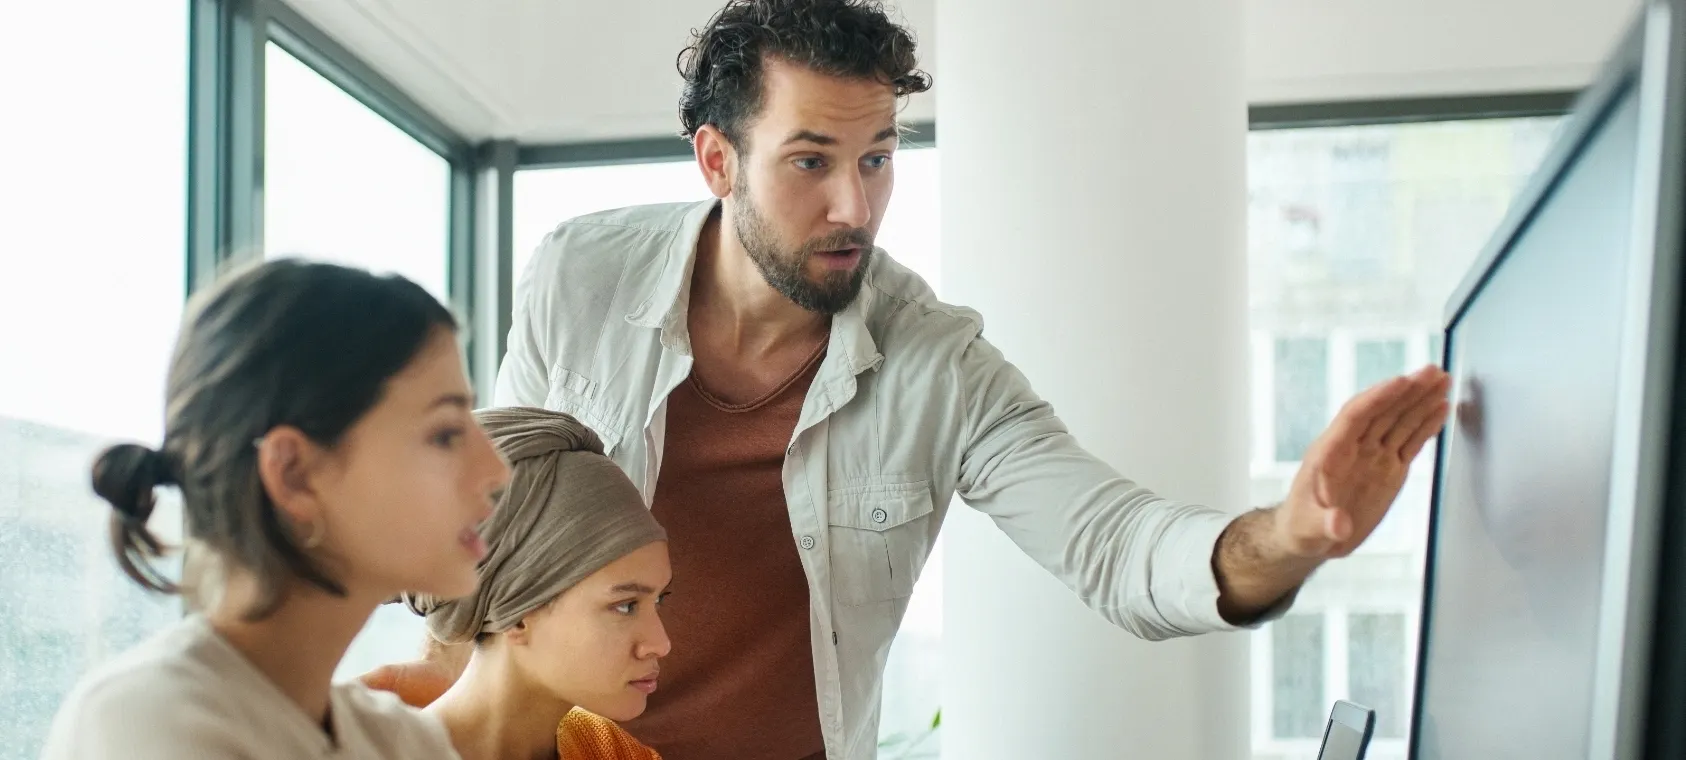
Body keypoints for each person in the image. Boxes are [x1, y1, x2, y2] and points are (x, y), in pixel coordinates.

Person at [411, 1, 1453, 757]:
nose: (855, 208)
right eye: (811, 161)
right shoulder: (578, 275)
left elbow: (1119, 547)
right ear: (718, 161)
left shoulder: (937, 362)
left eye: (878, 159)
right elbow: (502, 533)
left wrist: (1294, 533)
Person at [38, 259, 510, 759]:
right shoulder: (144, 725)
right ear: (294, 474)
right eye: (444, 434)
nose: (496, 471)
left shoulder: (403, 740)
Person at [361, 407, 671, 760]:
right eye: (626, 605)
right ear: (519, 614)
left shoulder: (611, 751)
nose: (661, 644)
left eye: (659, 601)